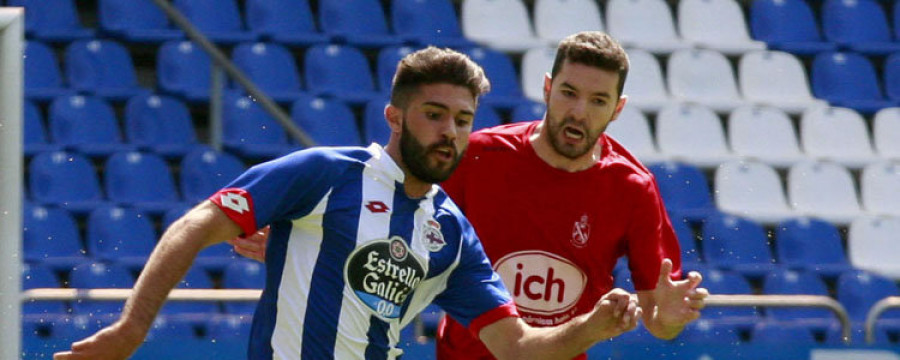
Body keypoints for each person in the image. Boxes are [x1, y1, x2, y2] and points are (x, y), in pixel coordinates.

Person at [53, 46, 642, 360]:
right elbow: (196, 224)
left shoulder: (451, 232)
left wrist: (588, 326)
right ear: (395, 116)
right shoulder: (324, 174)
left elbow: (515, 349)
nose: (450, 133)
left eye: (463, 120)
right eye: (434, 115)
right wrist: (132, 328)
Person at [231, 32, 710, 359]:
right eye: (568, 93)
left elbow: (659, 316)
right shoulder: (475, 155)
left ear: (619, 109)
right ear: (546, 88)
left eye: (598, 101)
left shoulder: (632, 188)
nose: (578, 112)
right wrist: (302, 244)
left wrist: (668, 320)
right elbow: (387, 224)